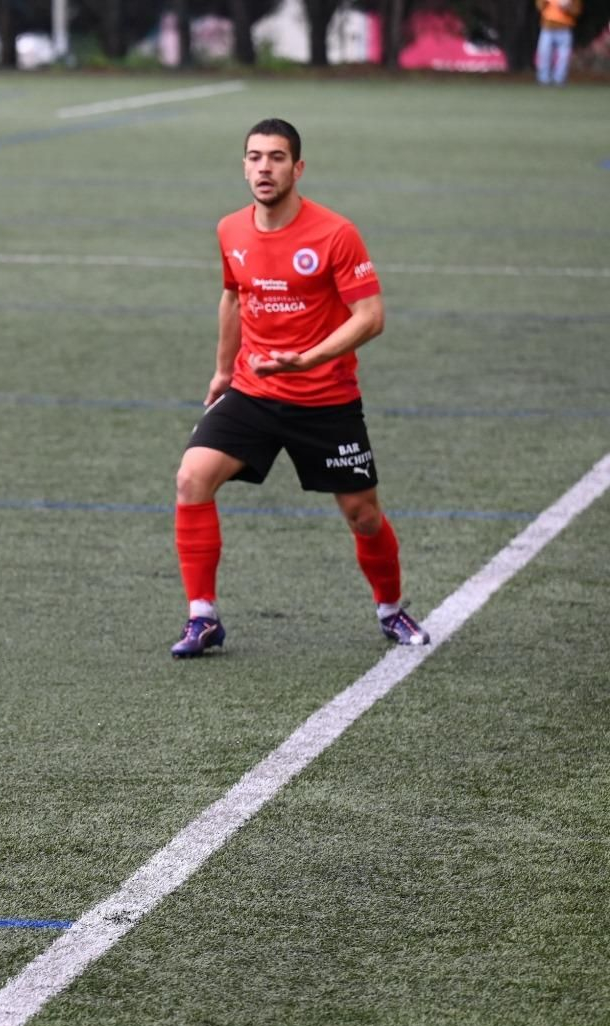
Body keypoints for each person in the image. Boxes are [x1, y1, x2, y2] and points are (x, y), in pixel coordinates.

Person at [170, 118, 431, 660]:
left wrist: (307, 358)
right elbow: (233, 298)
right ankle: (203, 616)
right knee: (192, 477)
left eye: (277, 157)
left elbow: (372, 316)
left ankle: (390, 609)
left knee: (362, 513)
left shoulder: (335, 233)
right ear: (244, 166)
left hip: (326, 399)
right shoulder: (230, 230)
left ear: (298, 168)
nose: (264, 167)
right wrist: (222, 371)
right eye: (255, 157)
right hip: (253, 391)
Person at [536, 0, 579, 85]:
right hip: (548, 28)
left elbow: (576, 11)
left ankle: (559, 79)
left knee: (564, 56)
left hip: (564, 29)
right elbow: (539, 6)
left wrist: (567, 6)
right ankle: (544, 79)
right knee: (544, 54)